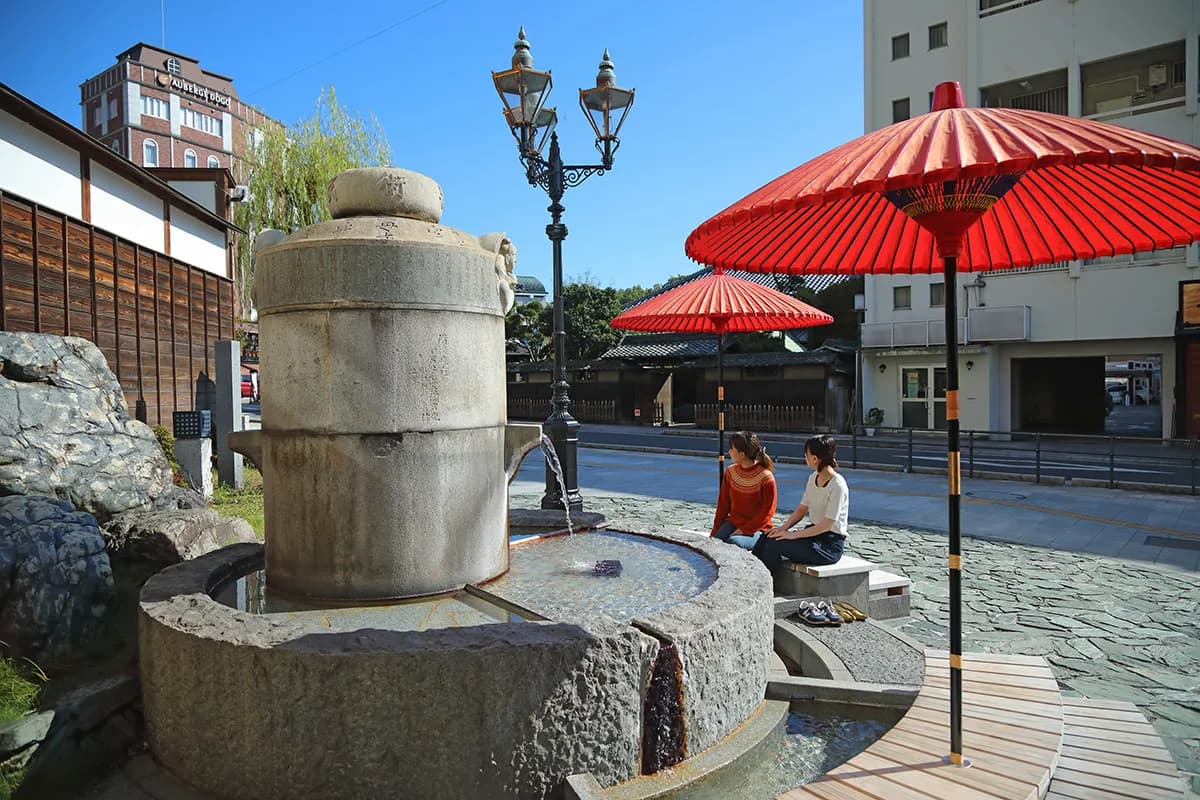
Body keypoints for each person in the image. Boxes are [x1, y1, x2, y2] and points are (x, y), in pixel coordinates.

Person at [754, 434, 848, 570]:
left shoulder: (838, 485)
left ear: (815, 458)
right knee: (767, 536)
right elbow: (802, 509)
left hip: (828, 546)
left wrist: (792, 535)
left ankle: (767, 580)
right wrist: (783, 528)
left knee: (776, 543)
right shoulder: (813, 477)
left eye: (806, 454)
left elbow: (827, 525)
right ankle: (751, 573)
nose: (805, 456)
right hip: (813, 535)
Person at [710, 431, 776, 550]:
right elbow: (723, 505)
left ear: (742, 454)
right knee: (715, 544)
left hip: (758, 528)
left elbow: (767, 512)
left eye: (731, 449)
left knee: (733, 543)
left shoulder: (766, 477)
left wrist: (745, 530)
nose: (729, 452)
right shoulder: (730, 472)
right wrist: (714, 533)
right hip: (733, 522)